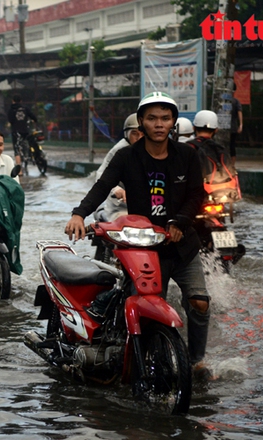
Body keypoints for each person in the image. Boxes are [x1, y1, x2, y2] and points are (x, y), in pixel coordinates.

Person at [64, 92, 210, 375]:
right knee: (146, 308)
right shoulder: (126, 156)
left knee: (199, 302)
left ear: (173, 123)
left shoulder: (188, 156)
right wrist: (79, 213)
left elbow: (196, 194)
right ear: (141, 122)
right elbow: (103, 185)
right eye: (152, 118)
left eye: (165, 118)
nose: (159, 124)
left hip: (182, 244)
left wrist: (180, 222)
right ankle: (137, 361)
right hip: (144, 247)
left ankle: (196, 361)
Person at [93, 113, 143, 222]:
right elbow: (101, 176)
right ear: (126, 134)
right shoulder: (119, 151)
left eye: (143, 134)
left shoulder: (155, 149)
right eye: (134, 133)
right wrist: (115, 188)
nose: (139, 138)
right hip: (120, 207)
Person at [187, 110, 240, 202]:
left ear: (193, 128)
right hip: (225, 192)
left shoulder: (188, 147)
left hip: (200, 195)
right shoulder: (221, 148)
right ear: (216, 130)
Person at [7, 95, 38, 170]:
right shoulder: (25, 108)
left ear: (13, 101)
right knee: (28, 142)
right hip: (25, 130)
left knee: (17, 149)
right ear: (21, 101)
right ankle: (29, 156)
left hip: (16, 131)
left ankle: (19, 169)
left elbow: (10, 120)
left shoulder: (11, 109)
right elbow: (33, 117)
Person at [229, 84, 243, 166]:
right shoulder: (235, 101)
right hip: (230, 128)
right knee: (231, 146)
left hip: (232, 128)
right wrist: (241, 125)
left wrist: (241, 125)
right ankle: (230, 165)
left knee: (231, 147)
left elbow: (239, 112)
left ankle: (231, 165)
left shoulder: (235, 101)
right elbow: (239, 112)